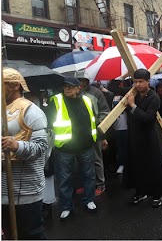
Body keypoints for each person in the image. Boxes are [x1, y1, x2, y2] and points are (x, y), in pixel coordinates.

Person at [45, 77, 104, 220]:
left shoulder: (87, 100)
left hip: (85, 145)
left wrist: (102, 138)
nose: (67, 89)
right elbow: (48, 120)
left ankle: (88, 200)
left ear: (79, 88)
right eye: (65, 86)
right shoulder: (56, 100)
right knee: (64, 179)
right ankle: (66, 207)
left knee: (89, 175)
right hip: (65, 148)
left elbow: (93, 121)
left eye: (71, 86)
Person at [2, 68, 49, 239]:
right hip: (2, 188)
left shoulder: (31, 111)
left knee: (31, 234)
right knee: (9, 233)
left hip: (26, 189)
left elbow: (41, 147)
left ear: (14, 86)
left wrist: (16, 146)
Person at [123, 69, 162, 208]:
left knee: (153, 166)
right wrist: (124, 76)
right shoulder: (134, 94)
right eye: (135, 82)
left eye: (140, 82)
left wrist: (132, 105)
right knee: (137, 165)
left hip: (149, 137)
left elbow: (147, 118)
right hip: (134, 135)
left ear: (148, 82)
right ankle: (140, 192)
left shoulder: (154, 97)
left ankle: (157, 194)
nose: (137, 85)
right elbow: (113, 87)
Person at [77, 75, 110, 196]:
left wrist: (98, 125)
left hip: (95, 131)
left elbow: (105, 111)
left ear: (87, 81)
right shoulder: (75, 93)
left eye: (83, 81)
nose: (81, 83)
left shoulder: (96, 93)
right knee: (82, 159)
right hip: (80, 132)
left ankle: (100, 184)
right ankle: (86, 184)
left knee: (96, 158)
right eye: (79, 81)